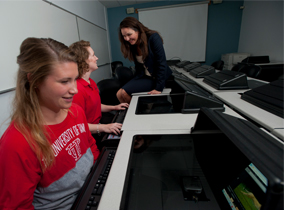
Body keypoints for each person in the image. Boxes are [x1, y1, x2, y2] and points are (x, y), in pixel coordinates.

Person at [0, 38, 100, 209]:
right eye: (64, 81)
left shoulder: (76, 111)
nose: (75, 89)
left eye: (75, 79)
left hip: (93, 191)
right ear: (35, 80)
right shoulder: (16, 142)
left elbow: (91, 147)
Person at [69, 40, 129, 150]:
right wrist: (104, 127)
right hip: (89, 135)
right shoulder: (77, 90)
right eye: (93, 55)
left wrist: (114, 107)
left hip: (98, 125)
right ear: (83, 61)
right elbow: (77, 126)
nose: (97, 58)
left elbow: (95, 106)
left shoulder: (90, 82)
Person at [116, 17, 172, 103]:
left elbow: (161, 63)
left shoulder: (153, 38)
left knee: (124, 93)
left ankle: (135, 113)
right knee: (119, 94)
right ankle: (129, 114)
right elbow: (139, 67)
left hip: (157, 78)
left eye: (129, 34)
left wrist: (159, 88)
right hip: (145, 77)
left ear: (138, 30)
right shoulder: (132, 44)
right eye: (124, 36)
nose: (127, 39)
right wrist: (134, 81)